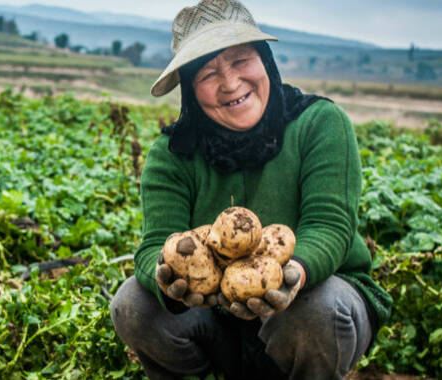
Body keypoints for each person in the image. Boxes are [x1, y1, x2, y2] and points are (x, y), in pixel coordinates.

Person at [108, 0, 392, 379]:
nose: (230, 83)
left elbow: (330, 226)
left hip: (313, 307)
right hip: (219, 324)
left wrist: (293, 275)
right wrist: (169, 282)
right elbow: (155, 243)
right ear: (191, 90)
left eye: (241, 60)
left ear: (265, 61)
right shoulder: (172, 154)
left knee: (314, 309)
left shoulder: (320, 123)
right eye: (208, 73)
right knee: (133, 303)